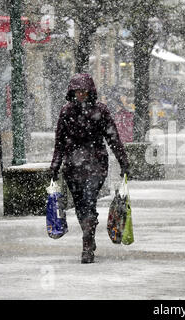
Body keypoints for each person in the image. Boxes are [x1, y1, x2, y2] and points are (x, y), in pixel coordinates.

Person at [50, 73, 130, 263]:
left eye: (83, 91)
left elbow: (114, 139)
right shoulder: (66, 112)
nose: (80, 94)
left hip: (96, 166)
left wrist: (124, 162)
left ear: (90, 91)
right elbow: (59, 142)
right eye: (77, 91)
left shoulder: (100, 111)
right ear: (72, 92)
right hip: (72, 167)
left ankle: (87, 244)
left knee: (88, 201)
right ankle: (89, 234)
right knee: (79, 205)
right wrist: (55, 165)